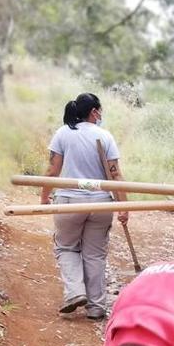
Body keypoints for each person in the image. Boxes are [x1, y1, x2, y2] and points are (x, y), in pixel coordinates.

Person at [40, 92, 128, 320]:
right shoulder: (105, 136)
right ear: (94, 112)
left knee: (66, 247)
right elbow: (116, 175)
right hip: (100, 203)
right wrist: (123, 206)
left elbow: (52, 170)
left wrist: (44, 196)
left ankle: (75, 293)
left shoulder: (63, 133)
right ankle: (97, 307)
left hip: (69, 202)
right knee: (95, 254)